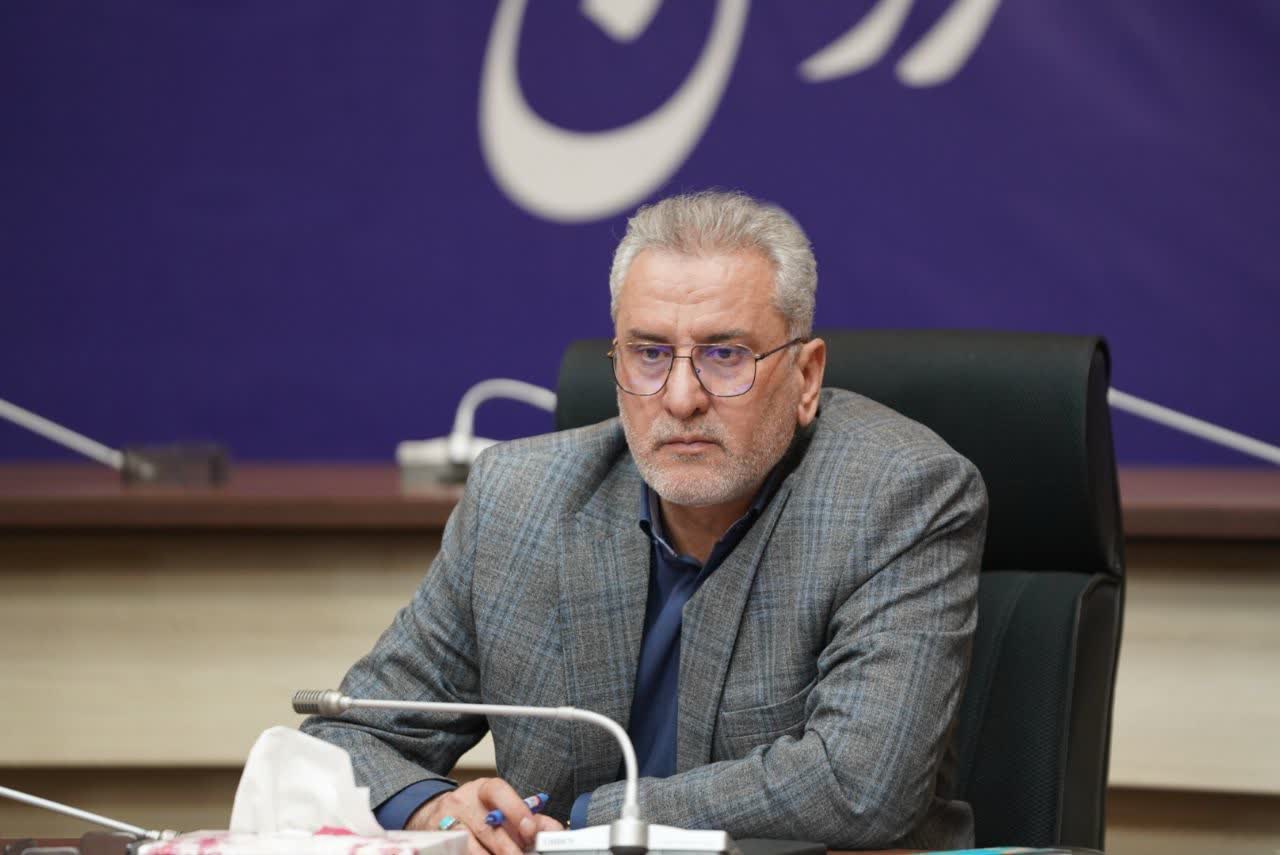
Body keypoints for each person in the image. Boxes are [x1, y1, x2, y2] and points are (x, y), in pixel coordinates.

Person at [302, 190, 987, 852]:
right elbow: (345, 736)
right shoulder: (518, 501)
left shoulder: (896, 496)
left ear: (805, 377)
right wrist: (432, 809)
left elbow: (859, 784)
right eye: (650, 353)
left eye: (725, 355)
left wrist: (581, 822)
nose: (681, 398)